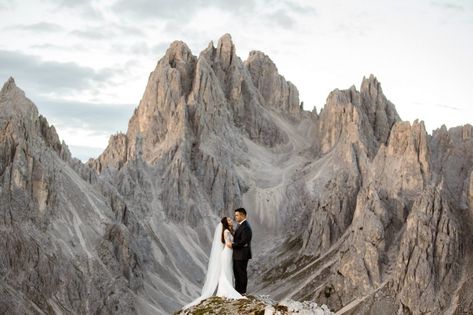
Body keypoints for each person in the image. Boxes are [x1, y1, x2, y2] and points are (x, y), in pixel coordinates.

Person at [184, 216, 245, 309]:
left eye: (230, 219)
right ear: (225, 223)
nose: (231, 220)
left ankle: (227, 289)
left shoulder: (228, 231)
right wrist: (238, 246)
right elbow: (228, 244)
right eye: (229, 220)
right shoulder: (226, 231)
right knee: (225, 271)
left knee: (227, 271)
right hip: (227, 253)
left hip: (229, 254)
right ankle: (225, 290)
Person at [229, 207, 252, 294]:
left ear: (242, 215)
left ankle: (242, 292)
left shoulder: (246, 227)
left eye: (237, 215)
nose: (235, 217)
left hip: (242, 255)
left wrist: (232, 244)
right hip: (238, 254)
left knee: (241, 274)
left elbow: (242, 242)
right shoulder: (241, 225)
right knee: (237, 274)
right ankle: (237, 292)